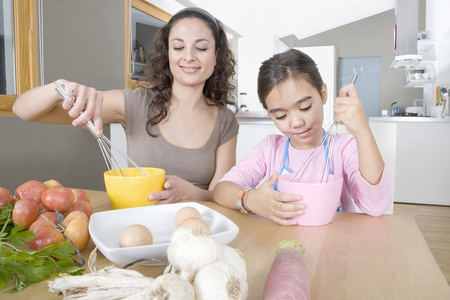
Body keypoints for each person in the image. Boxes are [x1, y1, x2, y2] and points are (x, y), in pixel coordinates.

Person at [13, 7, 238, 204]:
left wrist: (190, 192)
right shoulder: (134, 103)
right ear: (167, 53)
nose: (188, 57)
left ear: (216, 55)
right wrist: (59, 87)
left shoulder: (225, 120)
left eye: (201, 48)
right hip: (138, 223)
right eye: (178, 47)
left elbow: (220, 195)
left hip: (196, 231)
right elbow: (22, 110)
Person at [213, 49, 392, 225]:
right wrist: (249, 199)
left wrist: (363, 133)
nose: (296, 122)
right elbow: (221, 189)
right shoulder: (269, 149)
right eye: (281, 116)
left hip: (333, 245)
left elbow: (375, 206)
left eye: (305, 107)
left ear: (323, 93)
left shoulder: (344, 147)